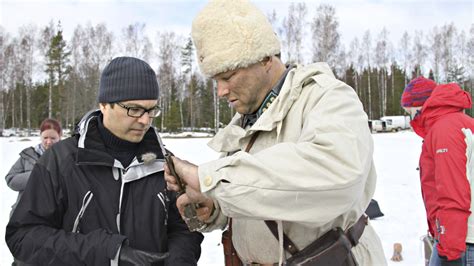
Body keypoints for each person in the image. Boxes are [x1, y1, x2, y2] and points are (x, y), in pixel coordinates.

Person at [165, 0, 386, 265]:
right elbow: (254, 197)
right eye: (216, 81)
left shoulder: (327, 98)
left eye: (229, 76)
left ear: (266, 59)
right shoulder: (243, 126)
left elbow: (338, 176)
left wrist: (211, 179)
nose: (221, 91)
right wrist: (212, 206)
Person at [6, 56, 203, 265]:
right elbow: (23, 236)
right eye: (134, 109)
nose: (145, 120)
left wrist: (179, 259)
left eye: (151, 110)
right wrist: (107, 252)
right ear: (104, 105)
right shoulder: (61, 161)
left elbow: (184, 229)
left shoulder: (164, 164)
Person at [401, 76, 474, 266]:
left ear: (423, 106)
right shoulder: (461, 123)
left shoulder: (445, 130)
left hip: (461, 242)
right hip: (460, 236)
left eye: (412, 112)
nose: (412, 119)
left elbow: (453, 192)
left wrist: (449, 251)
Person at [5, 118, 62, 217]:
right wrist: (36, 175)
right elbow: (11, 180)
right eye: (45, 137)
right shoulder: (27, 155)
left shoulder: (66, 157)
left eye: (53, 138)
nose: (48, 142)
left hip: (53, 217)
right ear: (40, 136)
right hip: (24, 214)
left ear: (60, 137)